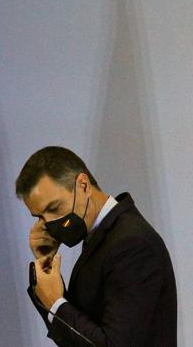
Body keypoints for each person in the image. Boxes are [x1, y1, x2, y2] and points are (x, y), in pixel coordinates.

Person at [16, 146, 177, 346]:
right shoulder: (102, 237)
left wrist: (56, 304)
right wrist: (44, 264)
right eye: (40, 217)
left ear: (83, 185)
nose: (48, 225)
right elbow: (82, 333)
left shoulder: (132, 244)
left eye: (54, 208)